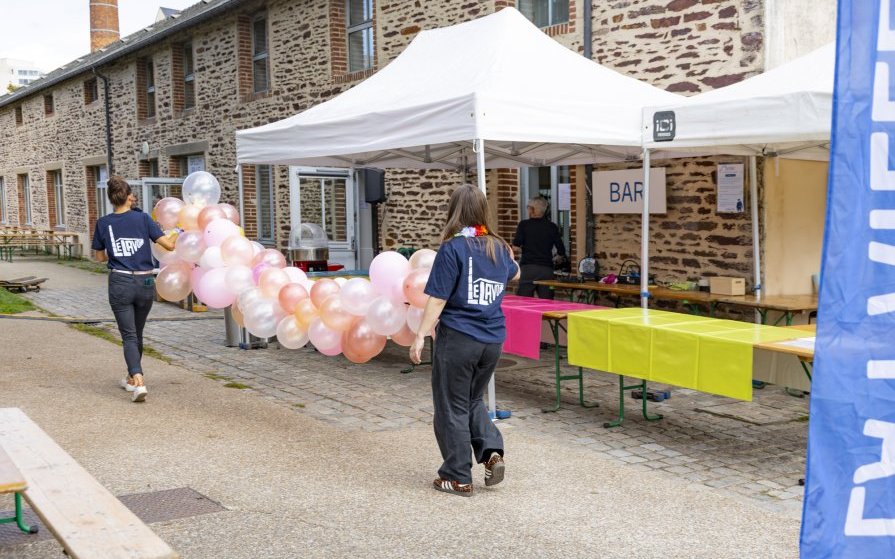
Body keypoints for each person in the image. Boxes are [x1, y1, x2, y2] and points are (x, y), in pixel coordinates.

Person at [410, 185, 520, 497]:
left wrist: (420, 335)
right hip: (492, 340)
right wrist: (506, 256)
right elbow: (515, 274)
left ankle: (457, 477)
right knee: (471, 400)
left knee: (451, 406)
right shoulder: (498, 247)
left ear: (455, 211)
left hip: (460, 338)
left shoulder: (453, 248)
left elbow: (438, 299)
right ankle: (491, 452)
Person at [92, 176, 176, 403]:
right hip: (145, 282)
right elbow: (169, 245)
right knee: (136, 333)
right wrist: (179, 231)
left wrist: (116, 253)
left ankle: (138, 381)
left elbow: (99, 258)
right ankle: (131, 378)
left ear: (111, 199)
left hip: (120, 282)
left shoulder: (103, 223)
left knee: (129, 335)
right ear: (128, 197)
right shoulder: (143, 218)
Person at [512, 196, 565, 299]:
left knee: (524, 302)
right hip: (547, 270)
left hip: (528, 269)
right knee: (547, 302)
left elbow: (515, 247)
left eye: (528, 207)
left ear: (532, 209)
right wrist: (554, 259)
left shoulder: (524, 225)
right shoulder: (552, 226)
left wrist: (524, 249)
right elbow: (561, 251)